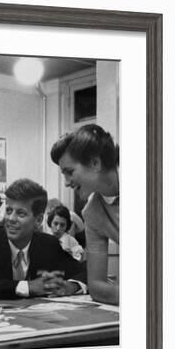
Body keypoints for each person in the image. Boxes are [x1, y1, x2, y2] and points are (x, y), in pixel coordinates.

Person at [0, 179, 87, 299]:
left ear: (38, 220)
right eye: (9, 211)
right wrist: (27, 287)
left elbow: (84, 271)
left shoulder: (48, 245)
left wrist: (71, 286)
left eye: (20, 213)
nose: (11, 218)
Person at [51, 124, 119, 305]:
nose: (66, 183)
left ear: (95, 162)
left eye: (70, 172)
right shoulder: (92, 212)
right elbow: (96, 286)